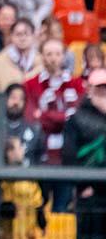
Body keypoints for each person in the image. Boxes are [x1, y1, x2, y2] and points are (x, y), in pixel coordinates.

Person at [24, 39, 84, 211]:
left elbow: (79, 120)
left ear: (64, 56)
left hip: (67, 156)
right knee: (38, 206)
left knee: (61, 208)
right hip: (40, 154)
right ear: (42, 56)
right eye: (49, 54)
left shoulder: (76, 84)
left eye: (57, 54)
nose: (53, 58)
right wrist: (65, 117)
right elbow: (32, 118)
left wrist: (45, 115)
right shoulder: (30, 84)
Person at [62, 69, 106, 239]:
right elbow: (69, 156)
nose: (103, 93)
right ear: (90, 90)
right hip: (90, 193)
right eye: (99, 89)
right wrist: (81, 185)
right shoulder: (76, 120)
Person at [0, 19, 42, 115]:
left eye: (26, 34)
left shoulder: (43, 64)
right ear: (11, 36)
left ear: (33, 36)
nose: (22, 38)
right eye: (18, 34)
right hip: (3, 119)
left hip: (35, 120)